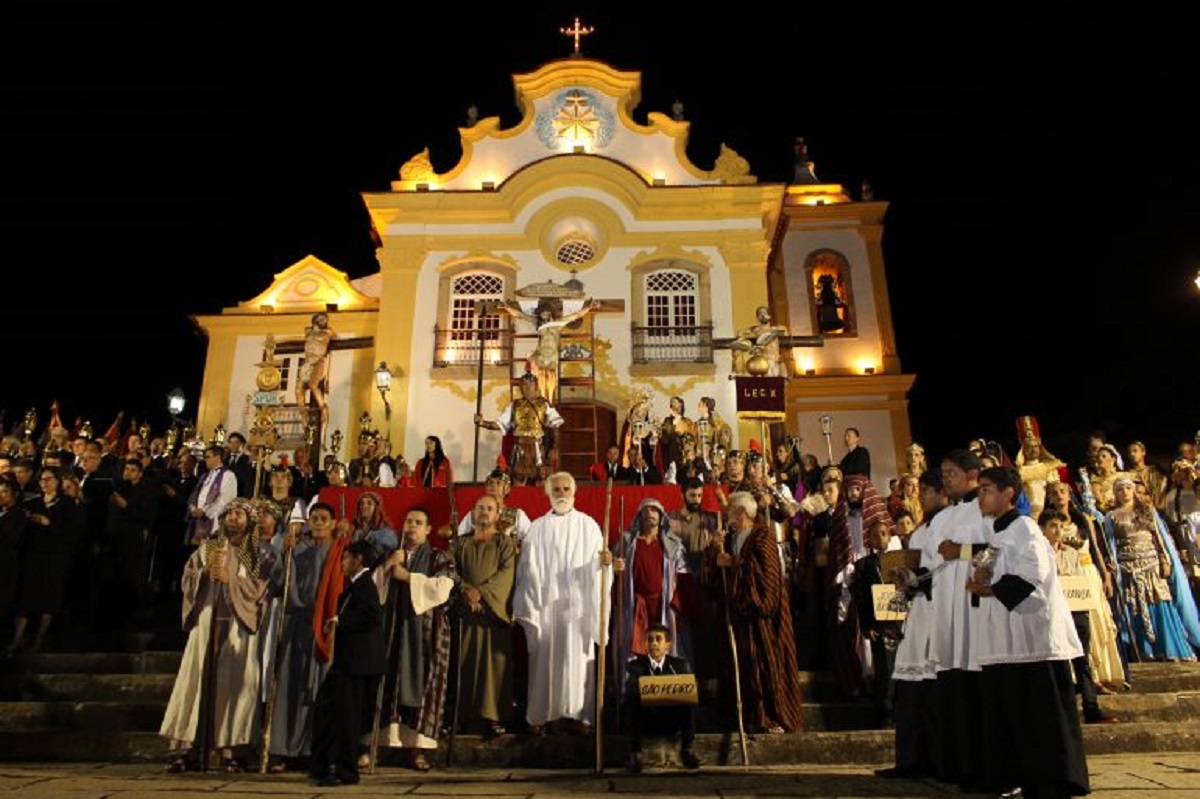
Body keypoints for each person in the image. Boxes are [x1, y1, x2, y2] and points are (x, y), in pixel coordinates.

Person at [965, 466, 1090, 798]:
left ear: (1009, 494)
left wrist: (989, 589)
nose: (981, 496)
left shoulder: (1026, 529)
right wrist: (978, 584)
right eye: (980, 490)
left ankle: (1055, 779)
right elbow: (989, 574)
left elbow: (1032, 575)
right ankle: (1018, 775)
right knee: (1013, 713)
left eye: (987, 489)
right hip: (1004, 639)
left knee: (1041, 715)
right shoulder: (995, 534)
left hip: (1034, 638)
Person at [159, 498, 272, 773]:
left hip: (238, 625)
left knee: (234, 685)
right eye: (230, 513)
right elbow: (188, 577)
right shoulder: (208, 547)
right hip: (207, 620)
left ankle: (233, 749)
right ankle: (188, 749)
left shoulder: (256, 552)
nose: (234, 518)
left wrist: (231, 579)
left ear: (249, 521)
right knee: (196, 683)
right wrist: (205, 573)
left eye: (239, 514)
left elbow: (261, 589)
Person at [513, 471, 611, 734]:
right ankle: (542, 717)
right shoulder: (537, 528)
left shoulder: (588, 526)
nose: (562, 494)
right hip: (546, 607)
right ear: (548, 493)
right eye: (556, 489)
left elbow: (599, 565)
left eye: (566, 489)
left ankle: (581, 717)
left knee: (578, 664)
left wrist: (605, 565)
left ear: (574, 492)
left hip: (578, 608)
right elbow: (527, 568)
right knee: (545, 663)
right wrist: (533, 601)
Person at [707, 491, 804, 734]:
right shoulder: (730, 539)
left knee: (765, 666)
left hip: (763, 618)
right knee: (744, 668)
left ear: (741, 513)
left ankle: (771, 717)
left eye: (730, 511)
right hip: (739, 619)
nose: (726, 516)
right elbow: (717, 577)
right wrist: (714, 552)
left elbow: (768, 574)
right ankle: (748, 717)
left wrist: (734, 563)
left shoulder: (763, 535)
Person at [371, 507, 458, 771]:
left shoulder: (438, 556)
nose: (412, 527)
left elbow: (446, 586)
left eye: (418, 523)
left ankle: (418, 750)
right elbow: (371, 587)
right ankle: (383, 746)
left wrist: (408, 577)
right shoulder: (391, 555)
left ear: (428, 529)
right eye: (408, 521)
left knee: (425, 685)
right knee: (388, 684)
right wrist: (387, 566)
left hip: (425, 633)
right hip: (392, 631)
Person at [922, 448, 989, 789]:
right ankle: (956, 765)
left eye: (951, 472)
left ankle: (985, 767)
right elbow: (932, 561)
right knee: (953, 686)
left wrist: (961, 552)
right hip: (949, 610)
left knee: (979, 689)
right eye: (943, 472)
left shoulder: (986, 508)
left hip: (977, 608)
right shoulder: (942, 517)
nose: (945, 478)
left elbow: (998, 548)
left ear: (972, 473)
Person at [876, 467, 948, 780]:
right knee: (910, 688)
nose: (922, 496)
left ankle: (938, 760)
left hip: (939, 612)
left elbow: (947, 569)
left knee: (934, 687)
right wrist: (904, 580)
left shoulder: (951, 525)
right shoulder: (919, 532)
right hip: (918, 612)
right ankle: (911, 759)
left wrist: (916, 579)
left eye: (928, 491)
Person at [262, 500, 336, 773]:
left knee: (320, 689)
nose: (317, 523)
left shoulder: (336, 552)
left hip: (324, 628)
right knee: (290, 688)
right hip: (297, 626)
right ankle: (284, 750)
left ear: (332, 524)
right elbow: (279, 584)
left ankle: (316, 750)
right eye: (314, 518)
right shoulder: (296, 550)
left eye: (323, 518)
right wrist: (284, 556)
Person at [307, 539, 387, 787]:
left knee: (346, 718)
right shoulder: (356, 585)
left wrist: (340, 621)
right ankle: (324, 766)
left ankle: (345, 770)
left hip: (356, 665)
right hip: (347, 664)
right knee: (329, 712)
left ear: (358, 559)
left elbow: (371, 613)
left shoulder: (364, 584)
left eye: (346, 558)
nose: (342, 563)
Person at [1103, 475, 1200, 661]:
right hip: (1128, 566)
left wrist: (1165, 560)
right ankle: (1147, 651)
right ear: (1115, 493)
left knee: (1159, 601)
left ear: (1133, 490)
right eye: (1120, 489)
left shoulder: (1147, 510)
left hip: (1151, 563)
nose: (1124, 492)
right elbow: (1110, 543)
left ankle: (1170, 648)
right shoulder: (1111, 516)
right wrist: (1114, 567)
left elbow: (1159, 537)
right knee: (1137, 606)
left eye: (1127, 488)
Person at [1040, 507, 1119, 725]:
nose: (1058, 531)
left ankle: (1091, 706)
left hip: (1075, 610)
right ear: (1043, 529)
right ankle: (1062, 710)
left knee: (1082, 660)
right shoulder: (1036, 552)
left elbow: (1076, 579)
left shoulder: (1072, 552)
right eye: (1053, 526)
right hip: (1051, 613)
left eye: (1061, 526)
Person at [611, 498, 697, 698]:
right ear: (639, 516)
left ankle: (673, 696)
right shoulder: (626, 542)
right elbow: (612, 573)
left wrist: (680, 605)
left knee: (670, 646)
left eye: (654, 510)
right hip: (636, 606)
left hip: (664, 605)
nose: (650, 513)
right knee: (636, 649)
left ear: (661, 516)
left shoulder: (673, 545)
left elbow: (683, 577)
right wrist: (615, 568)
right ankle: (632, 695)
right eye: (646, 510)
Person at [451, 495, 517, 737]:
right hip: (466, 613)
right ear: (473, 512)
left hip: (493, 614)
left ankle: (493, 716)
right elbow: (449, 569)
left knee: (494, 666)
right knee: (463, 664)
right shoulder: (460, 543)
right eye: (480, 507)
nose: (485, 512)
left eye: (490, 508)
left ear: (498, 514)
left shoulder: (505, 544)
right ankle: (461, 716)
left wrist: (482, 594)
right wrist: (466, 591)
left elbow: (507, 574)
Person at [7, 468, 82, 655]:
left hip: (54, 556)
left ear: (57, 481)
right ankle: (16, 639)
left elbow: (72, 530)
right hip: (33, 554)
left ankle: (39, 640)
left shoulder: (67, 503)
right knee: (24, 598)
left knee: (47, 598)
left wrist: (49, 523)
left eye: (48, 479)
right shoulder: (33, 502)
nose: (44, 483)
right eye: (41, 480)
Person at [623, 622, 701, 772]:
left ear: (668, 645)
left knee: (690, 701)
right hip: (647, 717)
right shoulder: (635, 666)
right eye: (650, 640)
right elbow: (631, 689)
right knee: (632, 699)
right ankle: (635, 752)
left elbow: (688, 690)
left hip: (672, 718)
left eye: (658, 639)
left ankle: (687, 750)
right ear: (645, 644)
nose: (654, 643)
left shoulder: (680, 665)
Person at [850, 513, 903, 728]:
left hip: (898, 621)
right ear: (868, 540)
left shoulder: (900, 560)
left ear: (889, 536)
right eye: (875, 535)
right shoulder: (863, 565)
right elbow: (861, 597)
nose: (880, 538)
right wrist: (866, 625)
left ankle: (899, 709)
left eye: (883, 534)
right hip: (878, 623)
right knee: (883, 667)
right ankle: (884, 712)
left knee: (899, 665)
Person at [499, 295, 599, 402]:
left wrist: (588, 308)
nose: (544, 314)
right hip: (541, 354)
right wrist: (508, 308)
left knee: (551, 380)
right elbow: (520, 315)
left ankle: (549, 402)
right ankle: (540, 399)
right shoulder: (536, 322)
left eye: (546, 312)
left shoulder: (558, 323)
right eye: (542, 312)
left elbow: (575, 315)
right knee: (540, 379)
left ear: (550, 313)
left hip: (552, 355)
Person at [475, 372, 564, 486]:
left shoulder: (544, 404)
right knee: (518, 477)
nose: (527, 387)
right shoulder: (514, 405)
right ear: (520, 387)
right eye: (524, 384)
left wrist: (554, 447)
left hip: (538, 446)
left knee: (541, 478)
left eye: (530, 383)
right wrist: (482, 422)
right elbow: (500, 424)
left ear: (536, 385)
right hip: (520, 447)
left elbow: (555, 426)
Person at [456, 468, 531, 544]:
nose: (494, 485)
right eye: (490, 483)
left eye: (498, 483)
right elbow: (460, 539)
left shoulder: (518, 515)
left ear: (507, 489)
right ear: (486, 488)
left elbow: (530, 540)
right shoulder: (474, 514)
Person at [186, 446, 237, 546]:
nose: (205, 460)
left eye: (208, 457)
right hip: (198, 520)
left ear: (217, 457)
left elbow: (226, 500)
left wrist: (205, 511)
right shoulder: (205, 476)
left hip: (214, 522)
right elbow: (195, 494)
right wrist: (192, 508)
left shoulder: (228, 475)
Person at [295, 312, 336, 424]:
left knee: (313, 385)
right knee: (298, 389)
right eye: (321, 319)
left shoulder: (327, 332)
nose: (324, 321)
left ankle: (323, 408)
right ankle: (303, 414)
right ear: (315, 320)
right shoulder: (308, 331)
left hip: (319, 360)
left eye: (325, 319)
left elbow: (334, 336)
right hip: (308, 362)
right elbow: (300, 337)